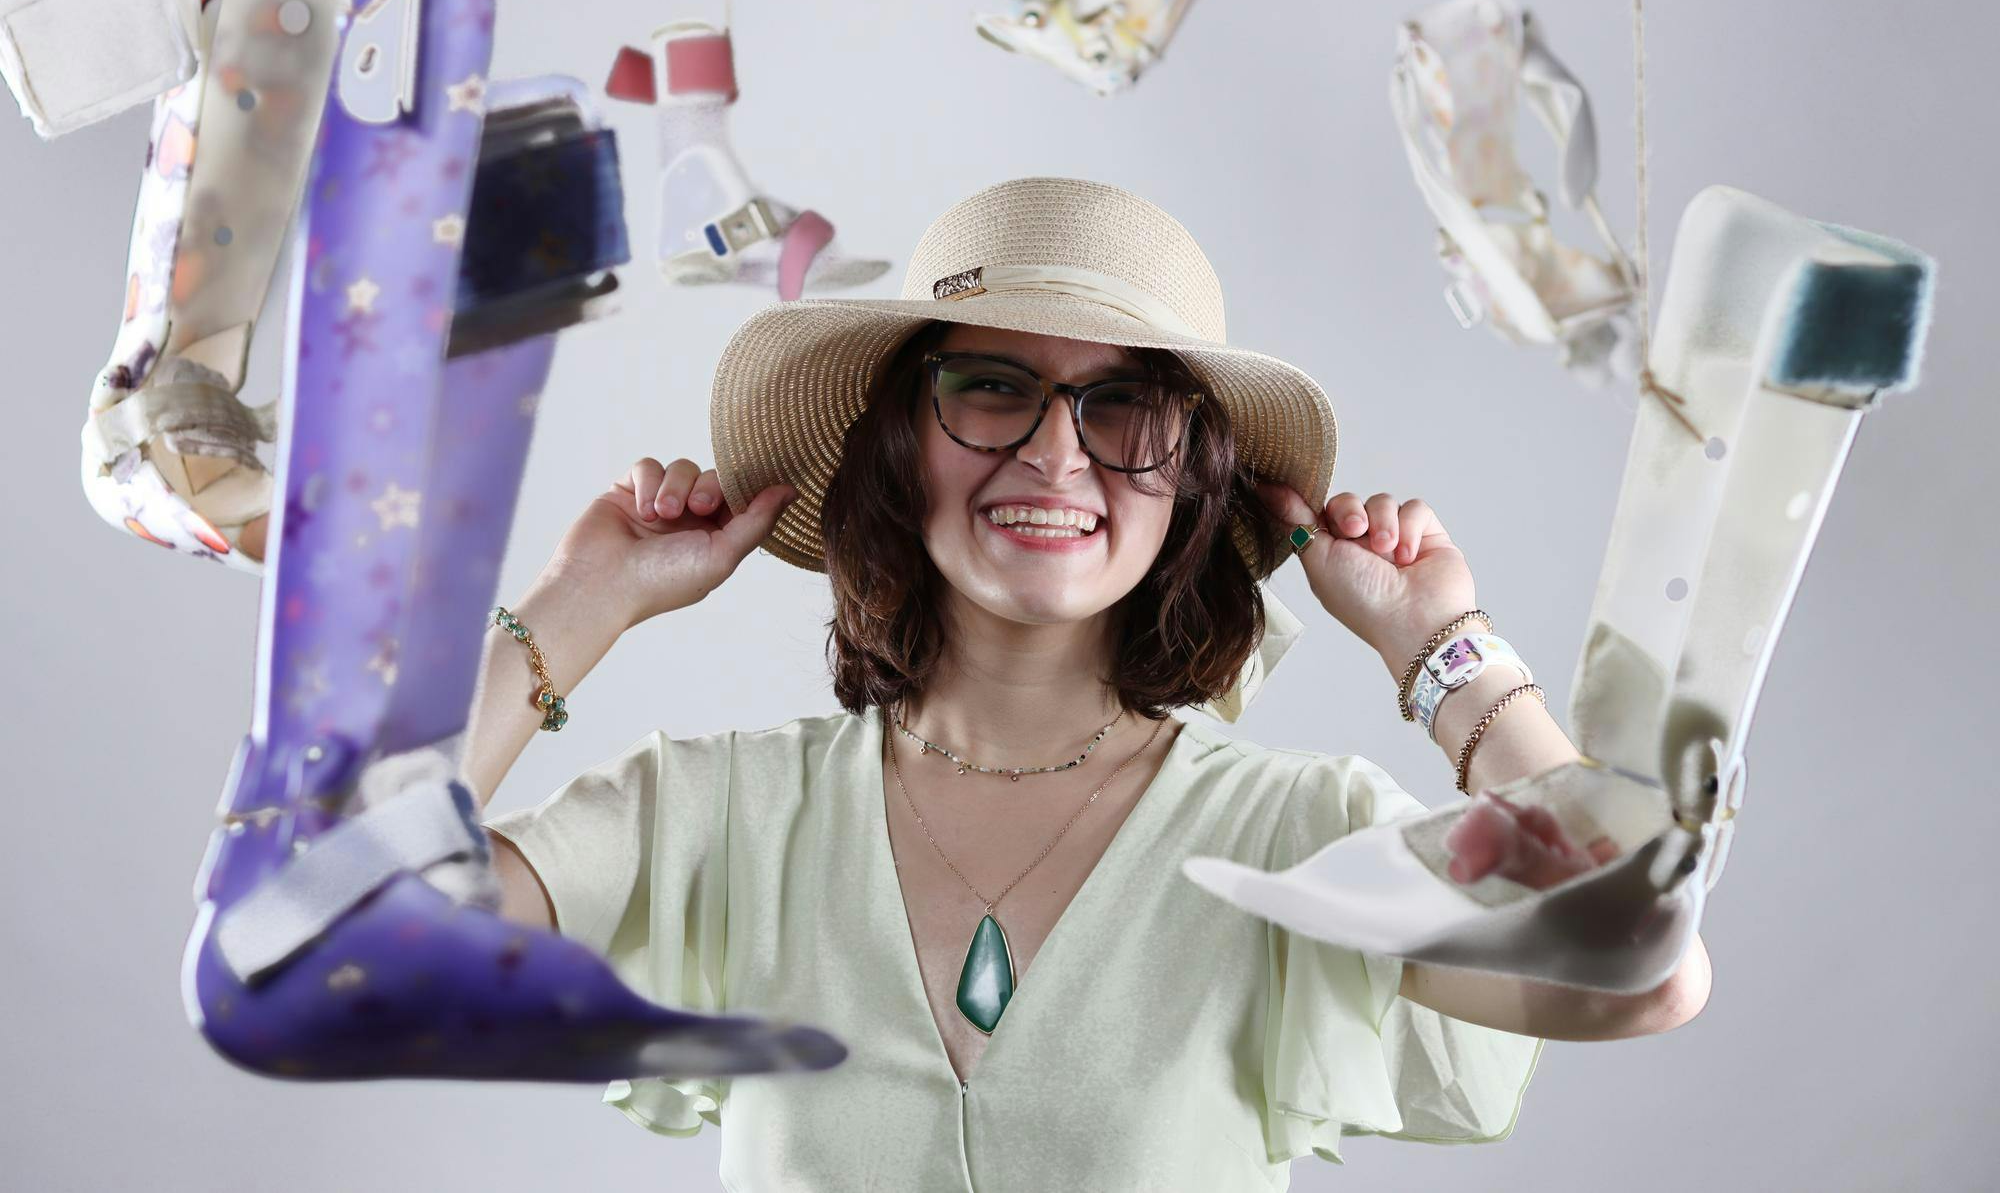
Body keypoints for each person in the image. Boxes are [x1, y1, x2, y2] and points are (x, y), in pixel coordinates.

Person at [461, 178, 1711, 1191]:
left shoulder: (1302, 840)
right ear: (901, 440)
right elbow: (326, 939)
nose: (1055, 454)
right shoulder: (714, 816)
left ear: (1189, 477)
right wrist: (582, 606)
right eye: (992, 386)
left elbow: (1636, 961)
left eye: (1122, 406)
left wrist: (1442, 649)